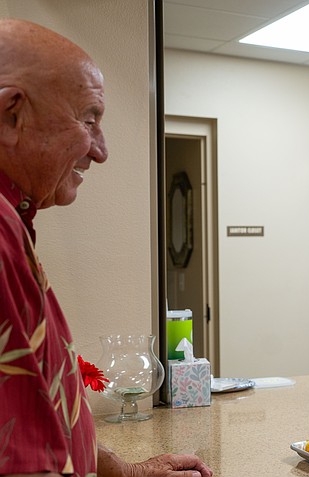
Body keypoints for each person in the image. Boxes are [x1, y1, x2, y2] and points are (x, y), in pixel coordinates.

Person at [0, 19, 212, 477]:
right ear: (11, 115)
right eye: (89, 119)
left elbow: (42, 409)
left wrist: (127, 471)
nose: (101, 150)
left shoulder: (13, 219)